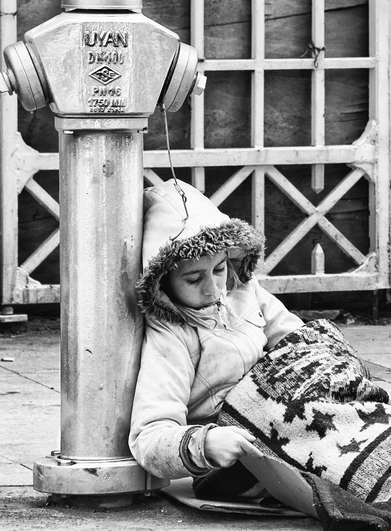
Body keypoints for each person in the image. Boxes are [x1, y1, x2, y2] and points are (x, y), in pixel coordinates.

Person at [129, 179, 304, 479]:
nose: (213, 289)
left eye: (219, 270)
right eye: (194, 279)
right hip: (247, 448)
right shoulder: (170, 335)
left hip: (292, 410)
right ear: (163, 281)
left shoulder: (245, 290)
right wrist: (206, 444)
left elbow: (301, 344)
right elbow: (149, 436)